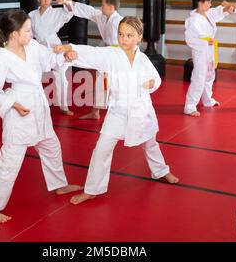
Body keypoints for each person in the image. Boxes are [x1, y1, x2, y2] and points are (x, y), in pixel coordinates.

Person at [54, 16, 179, 205]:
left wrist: (152, 83)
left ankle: (161, 171)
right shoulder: (112, 55)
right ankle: (92, 189)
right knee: (102, 149)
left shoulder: (143, 59)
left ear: (139, 37)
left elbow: (156, 79)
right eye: (121, 34)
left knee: (150, 143)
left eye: (129, 35)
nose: (123, 39)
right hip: (118, 111)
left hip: (140, 110)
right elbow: (93, 53)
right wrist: (70, 48)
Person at [0, 9, 82, 223]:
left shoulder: (32, 46)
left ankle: (59, 185)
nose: (31, 33)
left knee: (51, 145)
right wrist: (13, 104)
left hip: (38, 106)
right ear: (14, 34)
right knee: (10, 161)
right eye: (27, 30)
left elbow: (51, 60)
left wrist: (65, 55)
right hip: (19, 112)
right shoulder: (2, 59)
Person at [57, 0, 123, 120]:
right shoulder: (102, 17)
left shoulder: (119, 21)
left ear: (111, 7)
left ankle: (123, 114)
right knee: (101, 80)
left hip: (118, 55)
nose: (101, 7)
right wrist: (69, 3)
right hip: (108, 53)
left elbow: (130, 40)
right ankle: (95, 111)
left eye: (103, 5)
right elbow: (87, 11)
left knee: (117, 85)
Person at [184, 0, 234, 117]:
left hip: (209, 49)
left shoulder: (207, 13)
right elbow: (189, 39)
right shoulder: (193, 20)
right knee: (199, 77)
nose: (210, 5)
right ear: (200, 3)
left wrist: (226, 8)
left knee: (210, 74)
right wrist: (206, 43)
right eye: (208, 2)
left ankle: (207, 100)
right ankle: (190, 106)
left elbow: (217, 12)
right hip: (200, 51)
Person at [29, 0, 74, 115]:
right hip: (40, 48)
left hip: (56, 47)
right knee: (34, 76)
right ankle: (36, 104)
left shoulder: (56, 13)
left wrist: (65, 2)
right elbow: (30, 34)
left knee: (61, 76)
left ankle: (63, 107)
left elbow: (70, 12)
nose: (46, 1)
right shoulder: (32, 15)